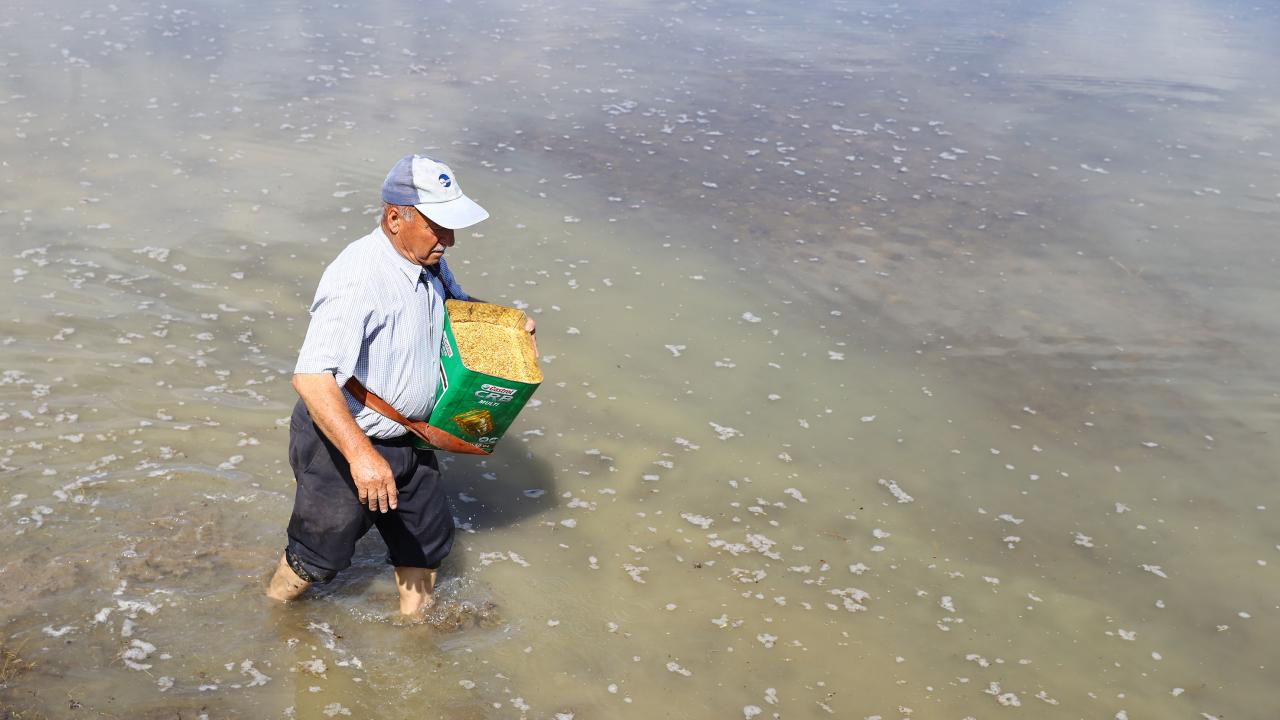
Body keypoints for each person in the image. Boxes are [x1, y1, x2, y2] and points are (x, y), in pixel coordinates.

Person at [266, 154, 534, 615]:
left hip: (409, 437)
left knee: (425, 546)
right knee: (317, 559)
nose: (449, 240)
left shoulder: (429, 261)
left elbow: (458, 309)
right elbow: (311, 378)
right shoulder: (358, 279)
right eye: (438, 227)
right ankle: (272, 612)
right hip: (344, 442)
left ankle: (416, 635)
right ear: (395, 219)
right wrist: (362, 458)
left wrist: (506, 326)